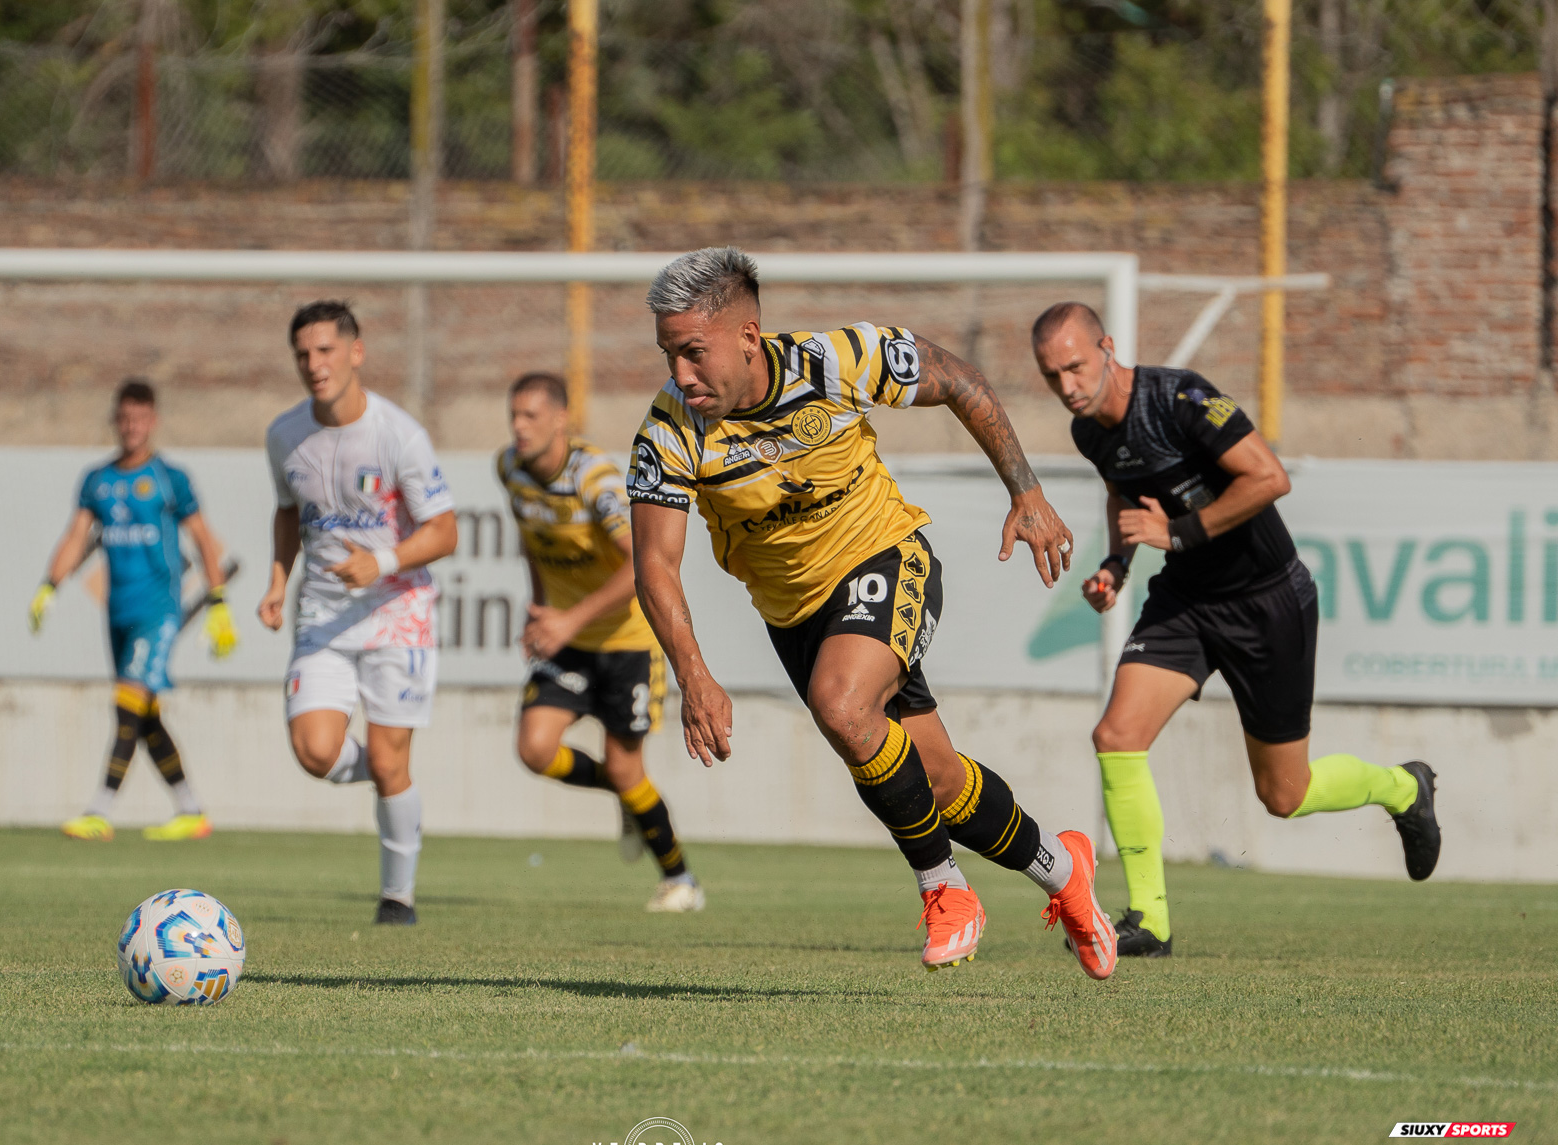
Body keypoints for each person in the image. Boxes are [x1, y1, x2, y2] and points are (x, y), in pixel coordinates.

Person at [627, 247, 1117, 977]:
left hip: (886, 555)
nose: (682, 374)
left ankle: (944, 889)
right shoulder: (669, 431)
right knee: (939, 780)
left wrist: (1026, 491)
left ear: (749, 336)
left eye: (695, 353)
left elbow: (961, 381)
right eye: (670, 355)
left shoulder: (838, 360)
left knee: (843, 703)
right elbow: (655, 565)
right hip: (795, 617)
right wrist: (693, 674)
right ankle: (1063, 870)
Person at [1032, 300, 1440, 959]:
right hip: (1186, 599)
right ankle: (1150, 921)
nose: (1068, 386)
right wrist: (1115, 563)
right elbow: (1123, 492)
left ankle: (1404, 787)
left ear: (1107, 346)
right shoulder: (1090, 433)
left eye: (1076, 367)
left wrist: (1176, 532)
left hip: (1266, 599)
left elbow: (1268, 477)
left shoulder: (1181, 397)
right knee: (1116, 734)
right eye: (1052, 376)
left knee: (1285, 793)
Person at [258, 300, 458, 927]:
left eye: (324, 350)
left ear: (355, 351)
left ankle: (397, 896)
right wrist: (276, 580)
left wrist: (385, 560)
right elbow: (288, 511)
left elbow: (446, 531)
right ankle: (392, 773)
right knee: (315, 750)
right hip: (323, 614)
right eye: (303, 354)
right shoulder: (285, 435)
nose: (314, 364)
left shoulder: (398, 434)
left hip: (398, 614)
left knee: (390, 759)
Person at [496, 371, 704, 913]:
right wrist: (542, 610)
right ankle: (626, 798)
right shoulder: (511, 469)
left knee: (626, 765)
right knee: (534, 749)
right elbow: (532, 539)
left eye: (531, 416)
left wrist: (569, 620)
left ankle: (681, 881)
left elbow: (639, 565)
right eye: (514, 416)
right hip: (569, 641)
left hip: (627, 642)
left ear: (561, 420)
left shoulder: (596, 480)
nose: (518, 427)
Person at [30, 379, 239, 841]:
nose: (131, 427)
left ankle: (99, 811)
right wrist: (49, 587)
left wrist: (218, 601)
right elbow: (75, 536)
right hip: (118, 613)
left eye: (140, 419)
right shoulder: (97, 480)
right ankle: (191, 811)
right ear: (115, 421)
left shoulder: (171, 478)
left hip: (158, 610)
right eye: (124, 419)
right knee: (143, 716)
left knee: (126, 706)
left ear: (153, 421)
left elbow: (204, 539)